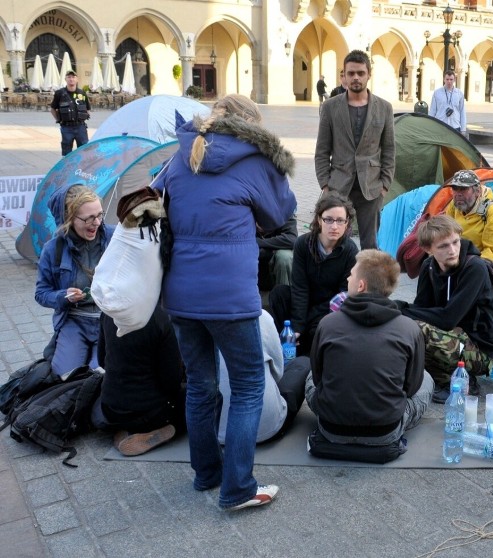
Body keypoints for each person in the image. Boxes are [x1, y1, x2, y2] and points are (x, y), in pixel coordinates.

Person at [152, 94, 297, 511]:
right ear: (251, 125)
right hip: (230, 296)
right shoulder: (254, 159)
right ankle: (237, 488)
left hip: (181, 292)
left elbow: (156, 203)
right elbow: (279, 214)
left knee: (200, 384)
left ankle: (207, 474)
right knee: (249, 387)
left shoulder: (182, 154)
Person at [305, 249, 433, 450]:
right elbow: (412, 386)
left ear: (361, 285)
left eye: (352, 274)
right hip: (385, 432)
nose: (348, 277)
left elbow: (319, 378)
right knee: (426, 378)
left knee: (310, 375)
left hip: (331, 429)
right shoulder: (409, 328)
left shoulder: (328, 323)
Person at [396, 215, 493, 404]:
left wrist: (402, 308)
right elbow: (421, 308)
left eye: (455, 242)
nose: (452, 250)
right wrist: (402, 313)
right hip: (455, 336)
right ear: (428, 250)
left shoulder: (474, 268)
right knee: (406, 325)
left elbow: (448, 318)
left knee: (418, 328)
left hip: (482, 350)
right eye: (443, 246)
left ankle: (459, 380)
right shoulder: (429, 266)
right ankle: (436, 375)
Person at [315, 49, 395, 250]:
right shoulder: (330, 107)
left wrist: (384, 184)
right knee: (335, 241)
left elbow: (389, 149)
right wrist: (326, 185)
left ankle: (367, 281)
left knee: (370, 244)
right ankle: (340, 281)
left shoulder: (384, 108)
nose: (356, 78)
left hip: (371, 187)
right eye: (351, 73)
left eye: (360, 73)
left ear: (369, 74)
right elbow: (322, 150)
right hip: (339, 186)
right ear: (344, 75)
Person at [35, 184, 114, 379]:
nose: (96, 222)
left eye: (100, 215)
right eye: (88, 218)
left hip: (109, 320)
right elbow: (41, 293)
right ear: (69, 219)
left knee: (102, 373)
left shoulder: (115, 238)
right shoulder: (53, 249)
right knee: (65, 376)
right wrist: (63, 296)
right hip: (74, 320)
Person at [267, 192, 358, 354]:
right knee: (279, 294)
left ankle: (307, 351)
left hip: (328, 307)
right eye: (328, 219)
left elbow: (342, 296)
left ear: (347, 222)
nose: (334, 226)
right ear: (319, 219)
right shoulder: (303, 244)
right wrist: (298, 326)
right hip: (304, 301)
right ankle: (288, 343)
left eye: (340, 221)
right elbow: (300, 287)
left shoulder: (350, 250)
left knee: (319, 328)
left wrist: (307, 320)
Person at [91, 308, 185, 457]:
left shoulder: (108, 311)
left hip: (110, 408)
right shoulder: (160, 317)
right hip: (148, 412)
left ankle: (123, 430)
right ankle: (159, 430)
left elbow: (102, 360)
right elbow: (171, 382)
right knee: (204, 398)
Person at [217, 311, 307, 444]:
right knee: (303, 363)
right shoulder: (260, 316)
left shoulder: (192, 318)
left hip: (209, 429)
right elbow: (278, 373)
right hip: (266, 428)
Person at [444, 169, 493, 277]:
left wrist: (464, 263)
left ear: (478, 191)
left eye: (464, 189)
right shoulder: (454, 204)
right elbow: (445, 234)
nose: (458, 194)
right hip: (462, 256)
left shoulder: (492, 212)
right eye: (455, 189)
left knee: (474, 270)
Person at [50, 70, 91, 156]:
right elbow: (53, 109)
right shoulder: (59, 93)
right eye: (69, 77)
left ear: (77, 79)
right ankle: (68, 168)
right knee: (67, 151)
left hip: (80, 127)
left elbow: (88, 109)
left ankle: (82, 167)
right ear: (65, 79)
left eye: (73, 77)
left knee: (84, 151)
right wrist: (59, 120)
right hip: (66, 127)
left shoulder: (82, 93)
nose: (71, 79)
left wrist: (83, 116)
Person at [256, 215, 298, 291]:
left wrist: (259, 243)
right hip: (253, 279)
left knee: (285, 256)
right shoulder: (245, 215)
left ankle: (283, 297)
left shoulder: (283, 213)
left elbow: (292, 240)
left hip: (276, 276)